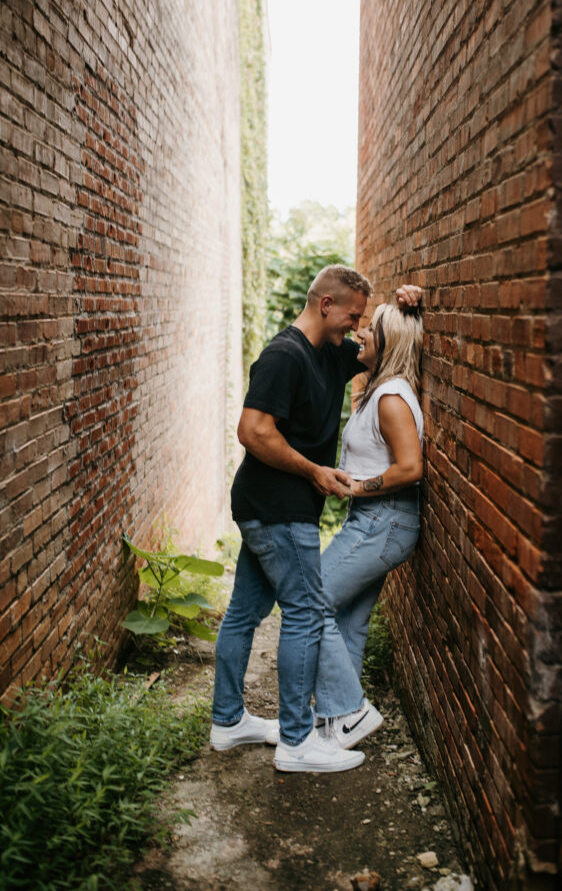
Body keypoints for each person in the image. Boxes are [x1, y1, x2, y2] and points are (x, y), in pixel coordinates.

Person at [210, 264, 421, 773]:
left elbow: (385, 345)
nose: (356, 326)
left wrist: (407, 303)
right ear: (325, 305)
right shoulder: (285, 356)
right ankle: (298, 743)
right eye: (352, 315)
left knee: (244, 612)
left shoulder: (333, 353)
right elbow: (253, 432)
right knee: (306, 613)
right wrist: (314, 472)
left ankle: (228, 721)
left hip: (273, 507)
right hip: (279, 509)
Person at [313, 301, 423, 748]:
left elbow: (411, 468)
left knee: (309, 600)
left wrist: (356, 488)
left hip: (384, 522)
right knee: (348, 621)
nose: (360, 335)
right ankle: (337, 722)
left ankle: (352, 710)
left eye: (370, 331)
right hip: (378, 522)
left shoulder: (392, 397)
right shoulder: (380, 389)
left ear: (388, 342)